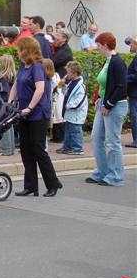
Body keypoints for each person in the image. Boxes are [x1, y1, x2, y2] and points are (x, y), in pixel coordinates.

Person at [8, 37, 62, 197]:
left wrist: (30, 107)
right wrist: (10, 102)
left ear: (26, 50)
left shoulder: (37, 67)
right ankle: (31, 186)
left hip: (38, 113)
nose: (17, 51)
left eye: (19, 48)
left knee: (38, 149)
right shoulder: (24, 67)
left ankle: (53, 183)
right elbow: (16, 86)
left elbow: (40, 89)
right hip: (24, 113)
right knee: (25, 149)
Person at [86, 32, 128, 186]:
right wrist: (100, 98)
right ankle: (103, 171)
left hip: (114, 105)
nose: (97, 49)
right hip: (104, 103)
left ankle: (115, 175)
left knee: (112, 141)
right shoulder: (108, 61)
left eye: (98, 46)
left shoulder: (117, 63)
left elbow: (122, 87)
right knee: (97, 138)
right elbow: (106, 83)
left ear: (105, 45)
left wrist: (109, 104)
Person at [57, 61, 88, 155]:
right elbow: (66, 93)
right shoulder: (71, 83)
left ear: (74, 73)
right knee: (68, 131)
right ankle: (67, 147)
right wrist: (62, 86)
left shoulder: (81, 86)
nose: (67, 74)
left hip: (76, 113)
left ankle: (77, 148)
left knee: (75, 131)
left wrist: (69, 105)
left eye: (69, 72)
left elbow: (79, 101)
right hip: (70, 113)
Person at [43, 58, 64, 143]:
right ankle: (55, 136)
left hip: (56, 100)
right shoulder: (56, 75)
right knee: (55, 118)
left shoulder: (52, 78)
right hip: (55, 100)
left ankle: (59, 137)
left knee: (57, 118)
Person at [126, 36, 137, 149]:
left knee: (135, 116)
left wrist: (125, 78)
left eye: (132, 44)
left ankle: (136, 140)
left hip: (135, 93)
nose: (131, 46)